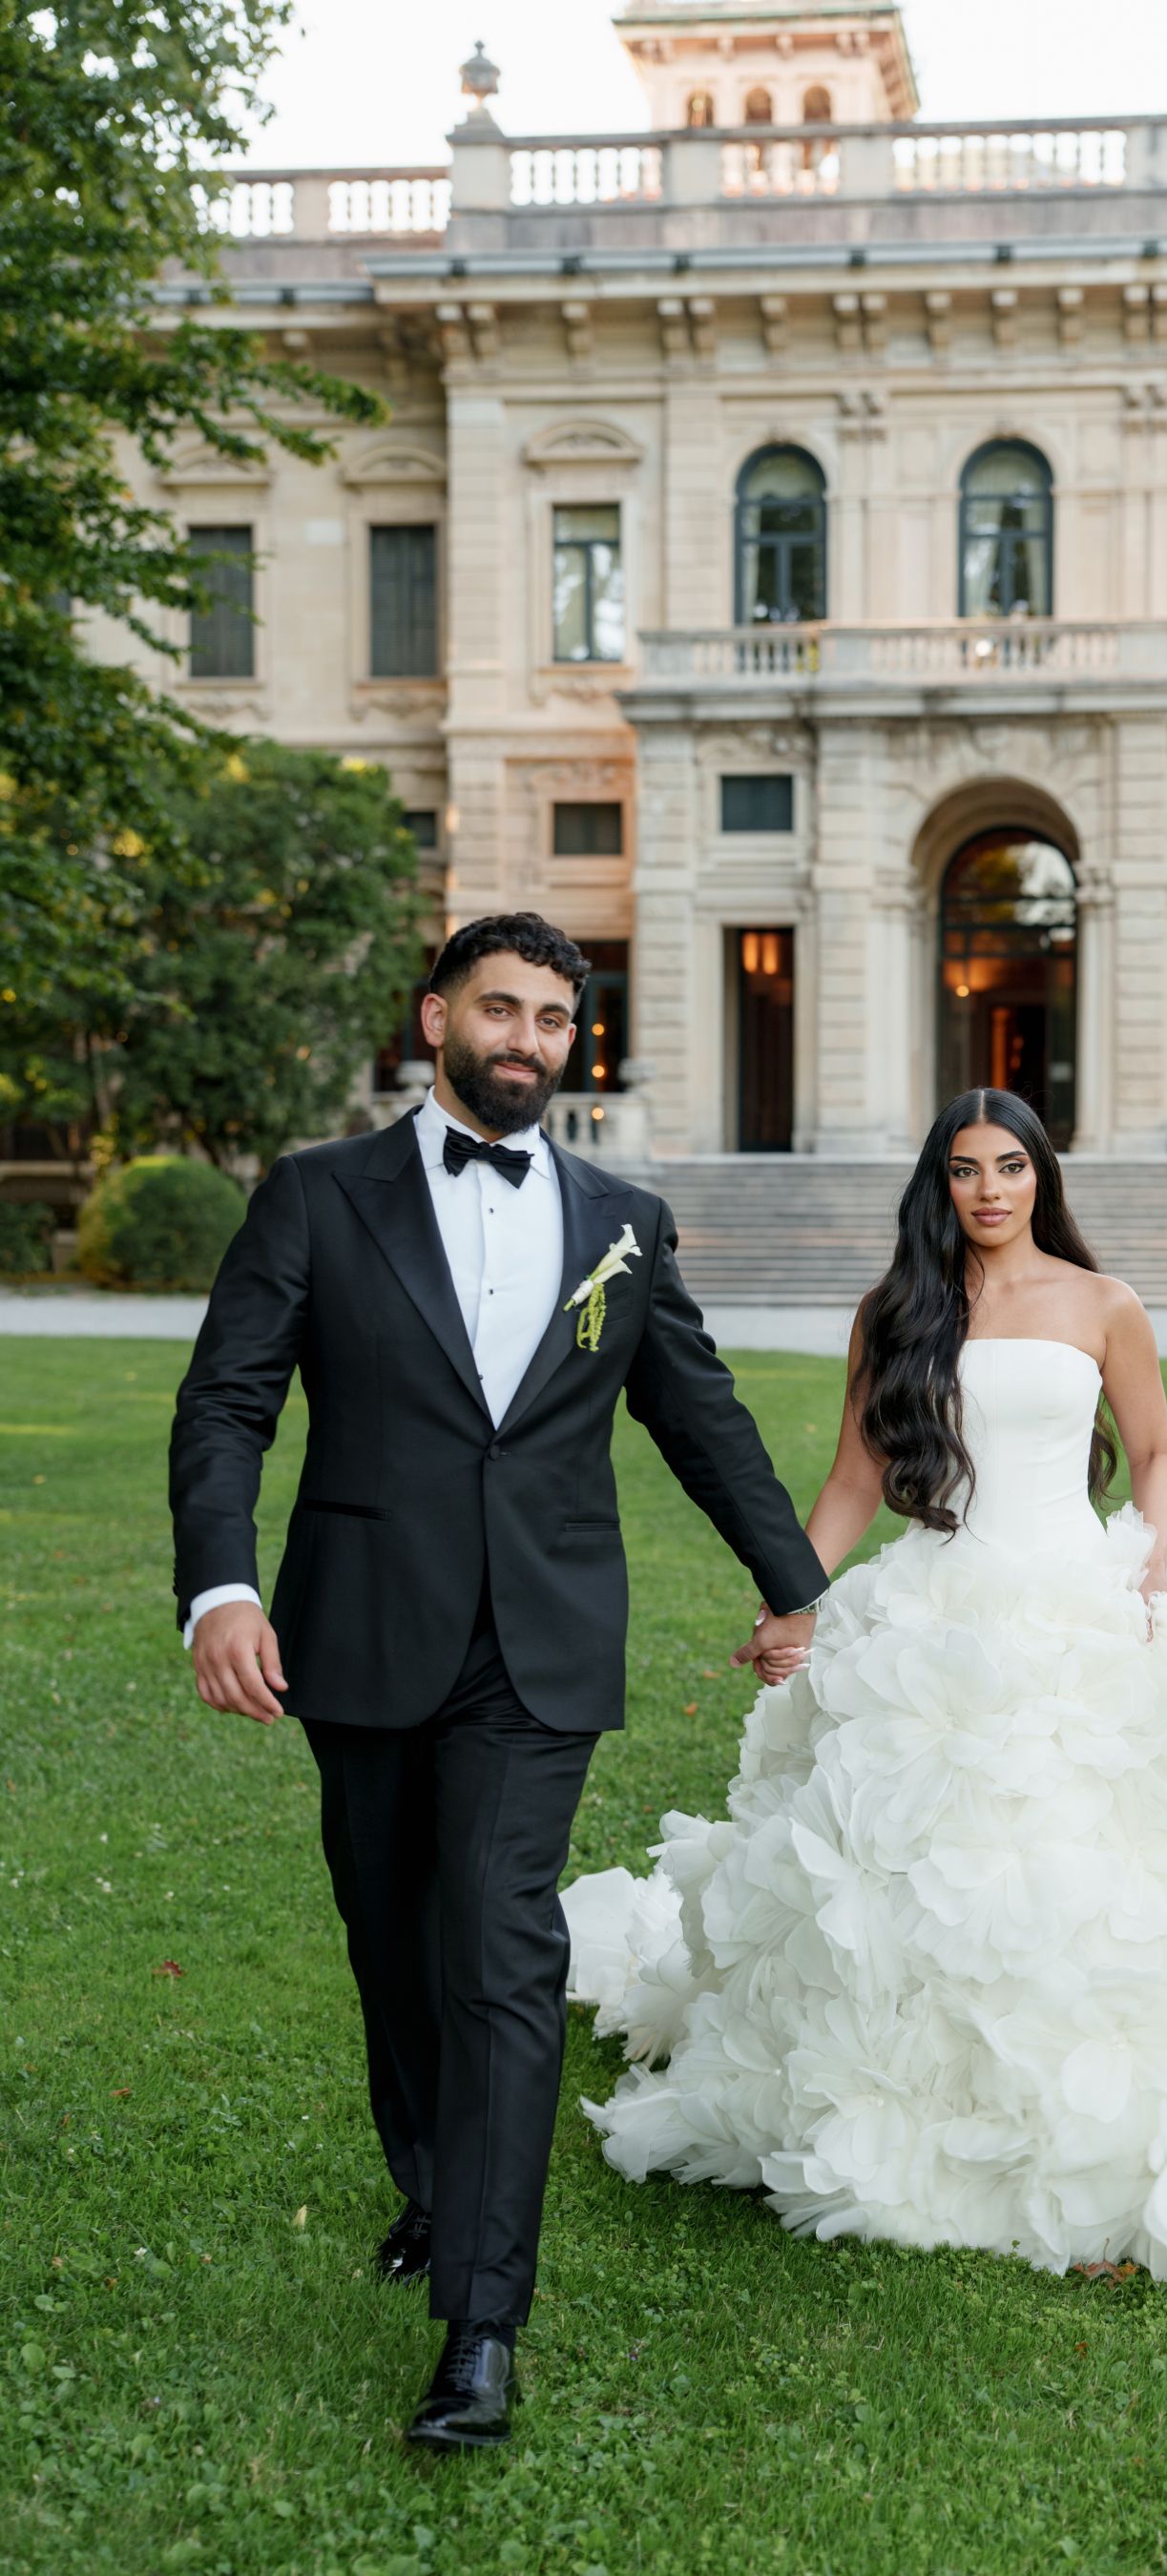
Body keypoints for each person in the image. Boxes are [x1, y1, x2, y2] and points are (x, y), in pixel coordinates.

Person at [564, 1088, 1167, 2298]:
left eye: (1010, 1166)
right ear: (937, 1183)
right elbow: (853, 1478)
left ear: (1042, 1175)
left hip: (1078, 1590)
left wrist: (1150, 1557)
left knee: (1108, 1858)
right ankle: (925, 2098)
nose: (990, 1189)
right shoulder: (896, 1311)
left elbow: (1153, 1455)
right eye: (964, 1169)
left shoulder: (1105, 1304)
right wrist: (792, 1599)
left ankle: (1110, 2104)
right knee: (918, 1859)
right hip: (938, 1609)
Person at [168, 912, 827, 2449]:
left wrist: (796, 1581)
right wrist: (219, 1584)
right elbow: (227, 1404)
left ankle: (481, 2322)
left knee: (500, 1944)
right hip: (363, 1628)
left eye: (552, 1019)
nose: (528, 1040)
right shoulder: (317, 1197)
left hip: (539, 1643)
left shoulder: (623, 1220)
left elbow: (700, 1414)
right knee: (393, 1933)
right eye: (501, 1011)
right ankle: (428, 2176)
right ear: (438, 1016)